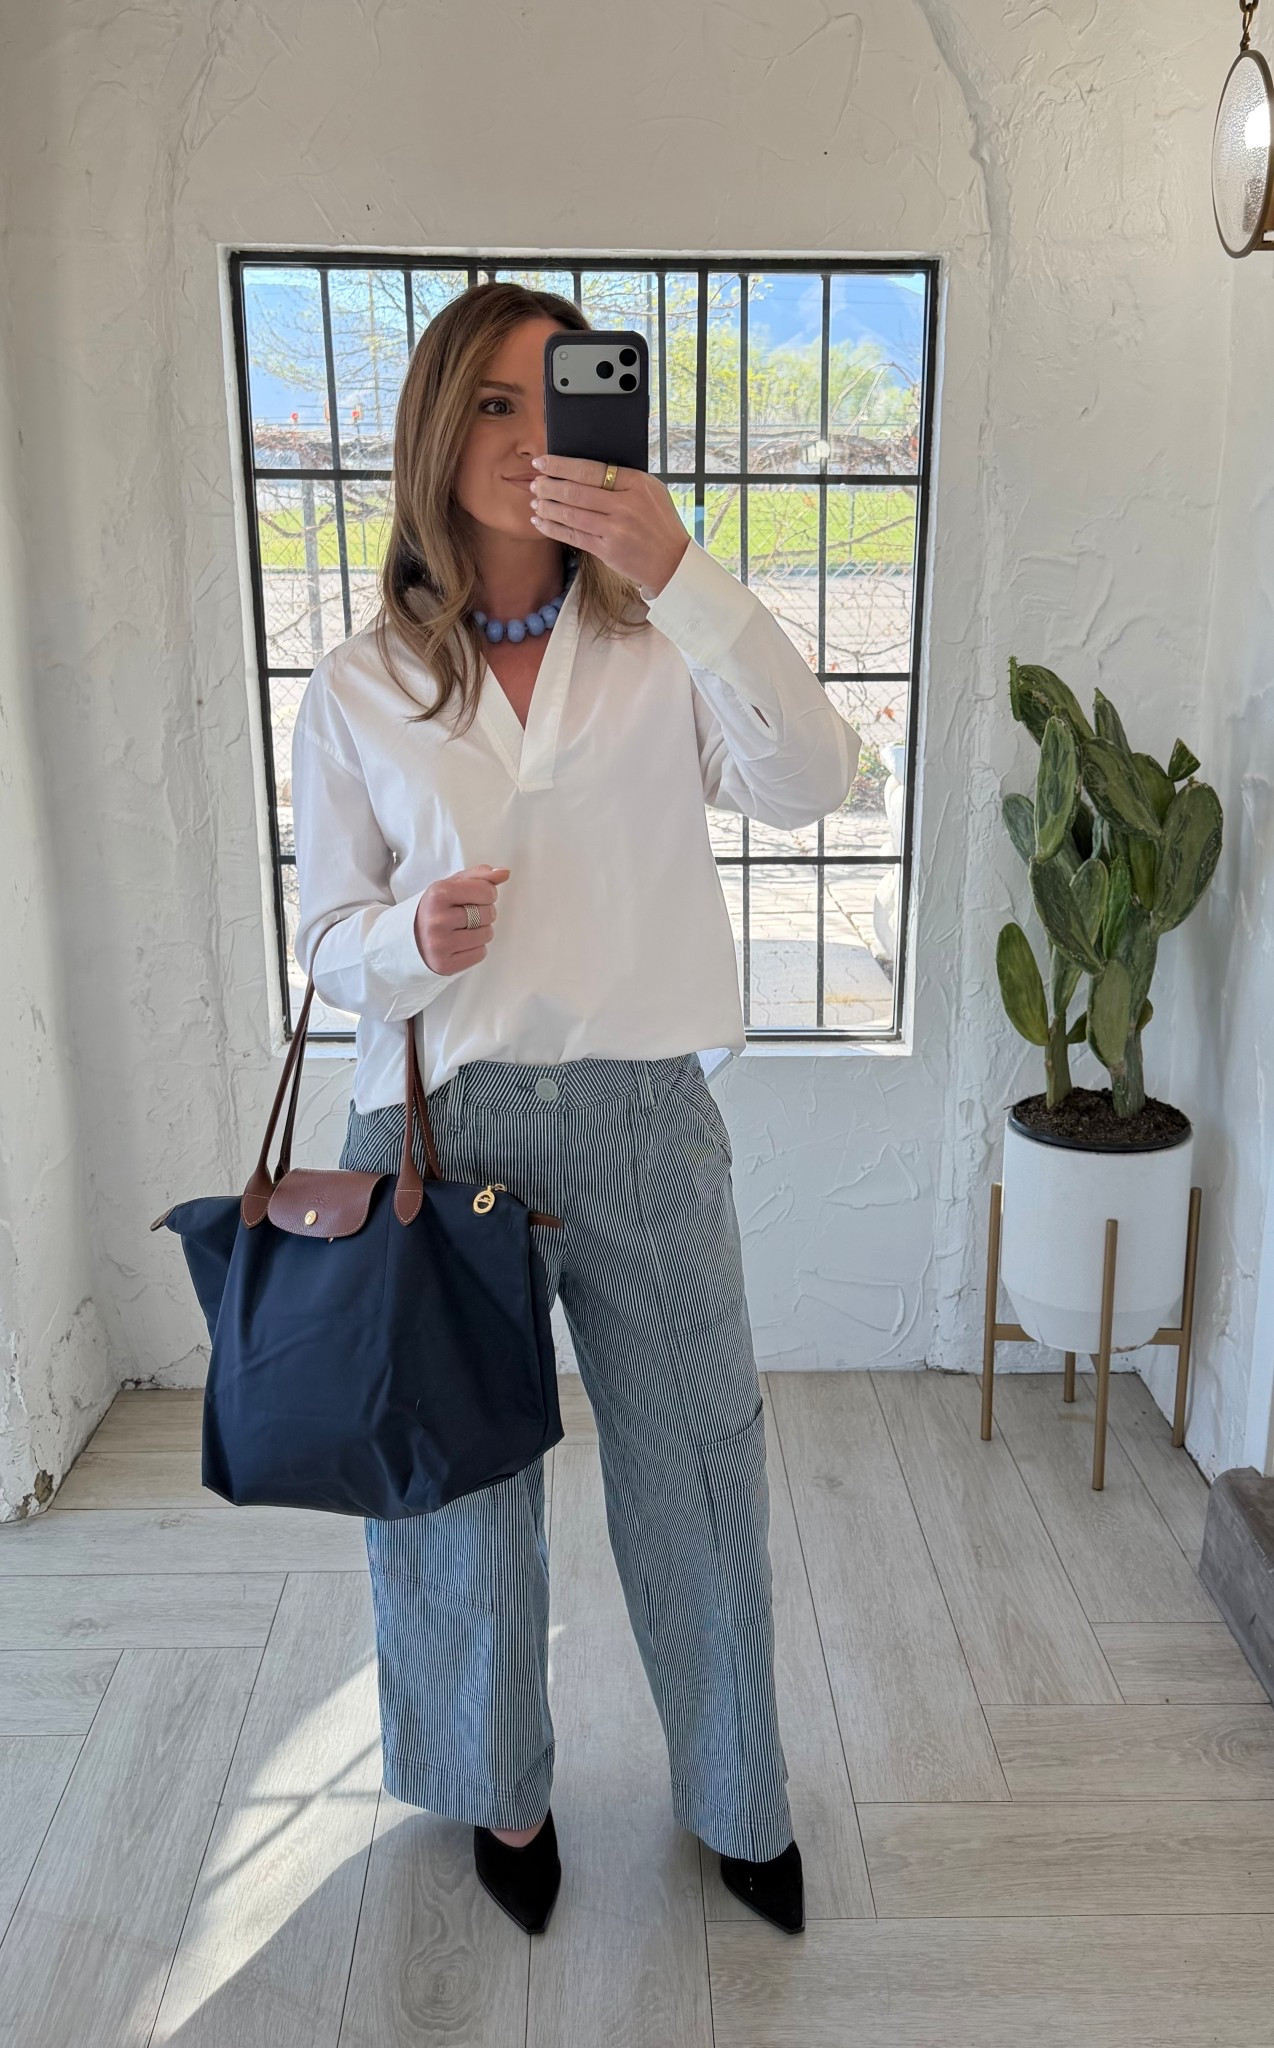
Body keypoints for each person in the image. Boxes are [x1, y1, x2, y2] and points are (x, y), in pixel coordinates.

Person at [291, 280, 861, 1938]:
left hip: (642, 1121)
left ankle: (736, 1794)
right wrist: (406, 938)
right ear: (433, 431)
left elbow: (814, 783)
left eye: (564, 397)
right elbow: (325, 939)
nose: (530, 433)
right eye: (490, 401)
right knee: (456, 1497)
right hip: (435, 1133)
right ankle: (501, 1796)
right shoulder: (359, 683)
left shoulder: (657, 642)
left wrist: (683, 571)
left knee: (698, 1467)